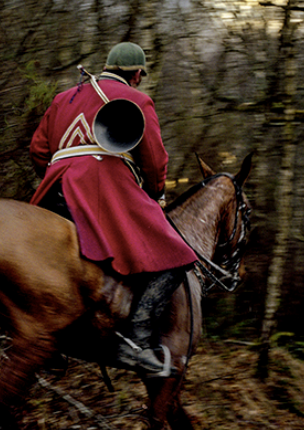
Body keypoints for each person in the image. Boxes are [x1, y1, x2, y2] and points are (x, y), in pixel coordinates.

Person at [29, 42, 196, 377]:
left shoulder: (65, 97)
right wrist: (156, 192)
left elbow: (37, 149)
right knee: (177, 256)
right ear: (136, 75)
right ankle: (135, 340)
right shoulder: (138, 99)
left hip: (53, 190)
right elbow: (154, 161)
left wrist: (57, 175)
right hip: (102, 191)